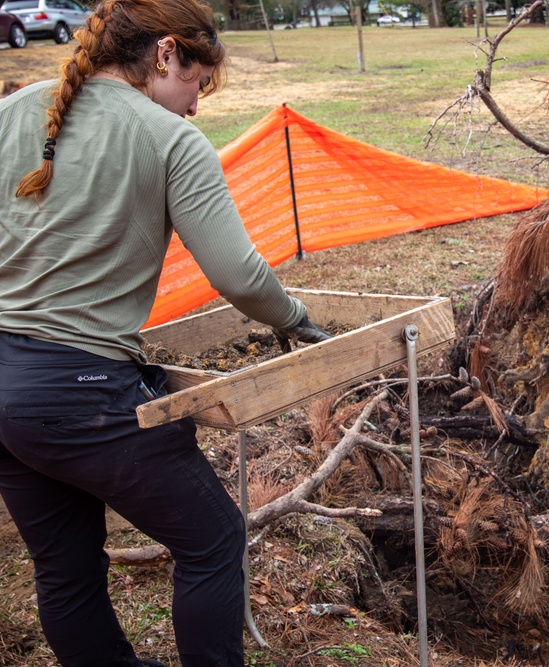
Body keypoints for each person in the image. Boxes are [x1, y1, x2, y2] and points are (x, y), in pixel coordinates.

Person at [0, 0, 330, 665]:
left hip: (6, 384)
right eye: (198, 85)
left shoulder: (14, 110)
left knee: (64, 563)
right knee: (212, 538)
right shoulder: (169, 138)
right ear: (167, 53)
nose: (196, 107)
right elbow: (237, 273)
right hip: (82, 391)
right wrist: (293, 318)